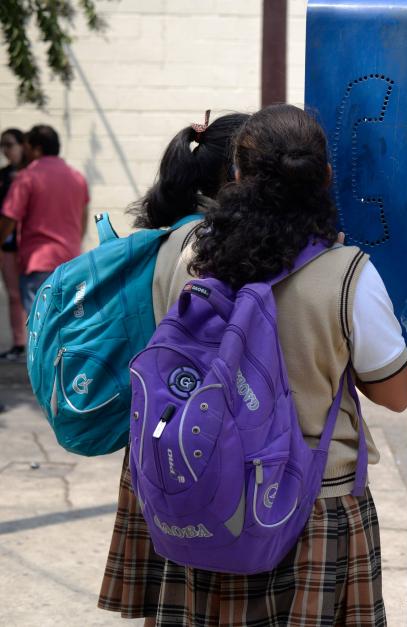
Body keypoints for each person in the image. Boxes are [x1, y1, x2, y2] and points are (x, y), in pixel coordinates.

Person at [148, 104, 407, 626]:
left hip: (212, 498)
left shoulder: (192, 260)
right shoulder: (347, 274)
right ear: (325, 177)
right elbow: (396, 393)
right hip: (314, 503)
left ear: (236, 175)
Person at [97, 111, 249, 625]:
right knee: (190, 592)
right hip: (189, 441)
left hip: (155, 433)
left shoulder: (165, 237)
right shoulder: (205, 246)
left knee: (168, 595)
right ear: (233, 176)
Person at [0, 124, 88, 316]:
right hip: (71, 262)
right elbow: (83, 219)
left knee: (39, 326)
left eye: (27, 147)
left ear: (37, 149)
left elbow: (9, 218)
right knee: (65, 324)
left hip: (38, 264)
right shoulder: (77, 177)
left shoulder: (27, 177)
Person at [0, 128, 26, 361]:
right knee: (14, 294)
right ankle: (19, 343)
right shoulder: (3, 175)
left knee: (35, 293)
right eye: (3, 146)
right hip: (7, 244)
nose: (6, 150)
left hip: (30, 244)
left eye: (9, 144)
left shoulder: (32, 173)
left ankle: (37, 342)